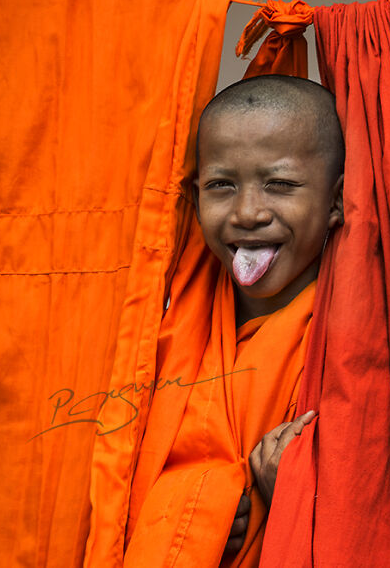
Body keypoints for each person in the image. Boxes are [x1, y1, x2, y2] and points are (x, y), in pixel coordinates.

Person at [122, 75, 344, 568]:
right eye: (222, 185)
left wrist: (289, 493)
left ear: (336, 201)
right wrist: (203, 515)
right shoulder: (157, 328)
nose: (247, 213)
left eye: (280, 185)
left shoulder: (355, 334)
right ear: (193, 194)